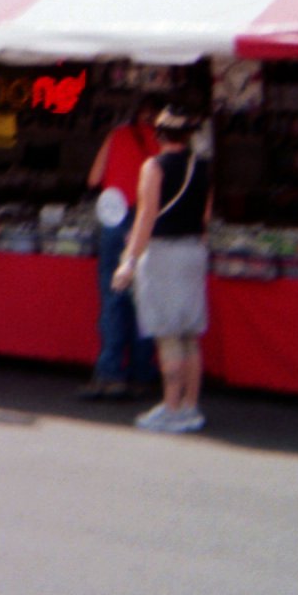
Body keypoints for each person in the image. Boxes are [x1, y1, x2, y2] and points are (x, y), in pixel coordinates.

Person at [113, 106, 213, 432]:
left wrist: (129, 260)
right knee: (190, 334)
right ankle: (190, 407)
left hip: (163, 254)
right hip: (194, 251)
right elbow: (206, 217)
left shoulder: (153, 167)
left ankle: (171, 407)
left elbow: (146, 216)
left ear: (159, 134)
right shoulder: (204, 167)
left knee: (168, 334)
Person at [82, 97, 161, 399]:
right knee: (143, 298)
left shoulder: (116, 135)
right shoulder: (162, 143)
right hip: (145, 219)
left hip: (114, 219)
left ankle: (110, 372)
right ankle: (142, 371)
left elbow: (93, 178)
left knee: (113, 297)